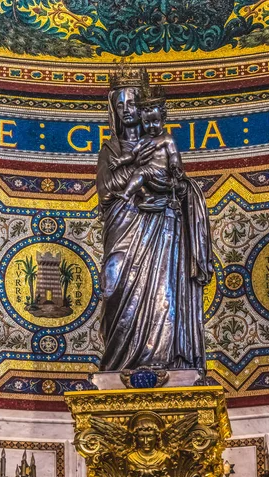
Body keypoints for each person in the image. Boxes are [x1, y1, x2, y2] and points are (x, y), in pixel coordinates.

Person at [97, 66, 213, 373]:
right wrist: (139, 175)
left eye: (131, 103)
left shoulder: (164, 142)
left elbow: (178, 181)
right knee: (112, 285)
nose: (126, 111)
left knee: (164, 290)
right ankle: (118, 360)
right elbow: (105, 190)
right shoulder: (110, 150)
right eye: (119, 106)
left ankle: (160, 357)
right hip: (123, 224)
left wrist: (167, 183)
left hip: (161, 225)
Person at [109, 90, 183, 212]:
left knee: (140, 173)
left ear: (163, 120)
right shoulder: (143, 140)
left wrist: (174, 165)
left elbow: (174, 153)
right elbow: (132, 154)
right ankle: (146, 196)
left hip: (161, 173)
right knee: (134, 177)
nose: (151, 126)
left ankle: (127, 194)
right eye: (147, 122)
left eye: (155, 121)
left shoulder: (166, 138)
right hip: (148, 174)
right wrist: (120, 161)